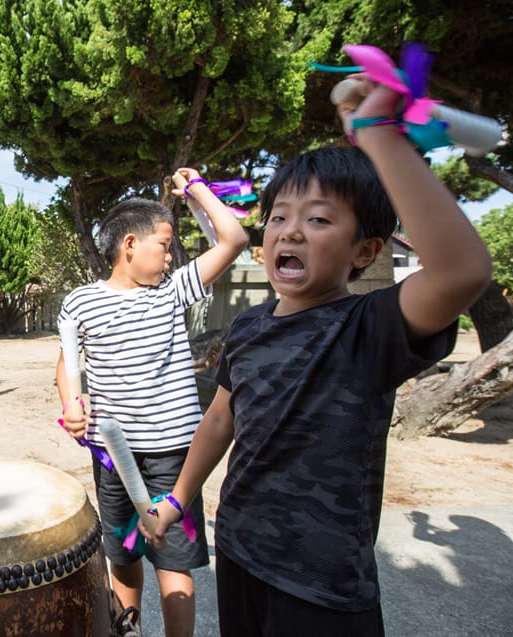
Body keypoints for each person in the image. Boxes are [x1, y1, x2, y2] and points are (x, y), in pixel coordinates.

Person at [147, 81, 492, 636]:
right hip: (239, 551)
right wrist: (178, 500)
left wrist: (380, 139)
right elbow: (219, 421)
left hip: (323, 586)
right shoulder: (249, 325)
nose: (291, 231)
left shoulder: (371, 327)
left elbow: (462, 271)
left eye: (319, 219)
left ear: (366, 250)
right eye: (279, 217)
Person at [55, 177, 248, 637]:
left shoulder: (172, 291)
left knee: (173, 561)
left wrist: (198, 190)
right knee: (122, 555)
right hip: (112, 458)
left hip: (172, 458)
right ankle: (129, 629)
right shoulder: (80, 303)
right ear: (129, 244)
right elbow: (67, 363)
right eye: (163, 245)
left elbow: (235, 239)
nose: (169, 256)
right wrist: (71, 404)